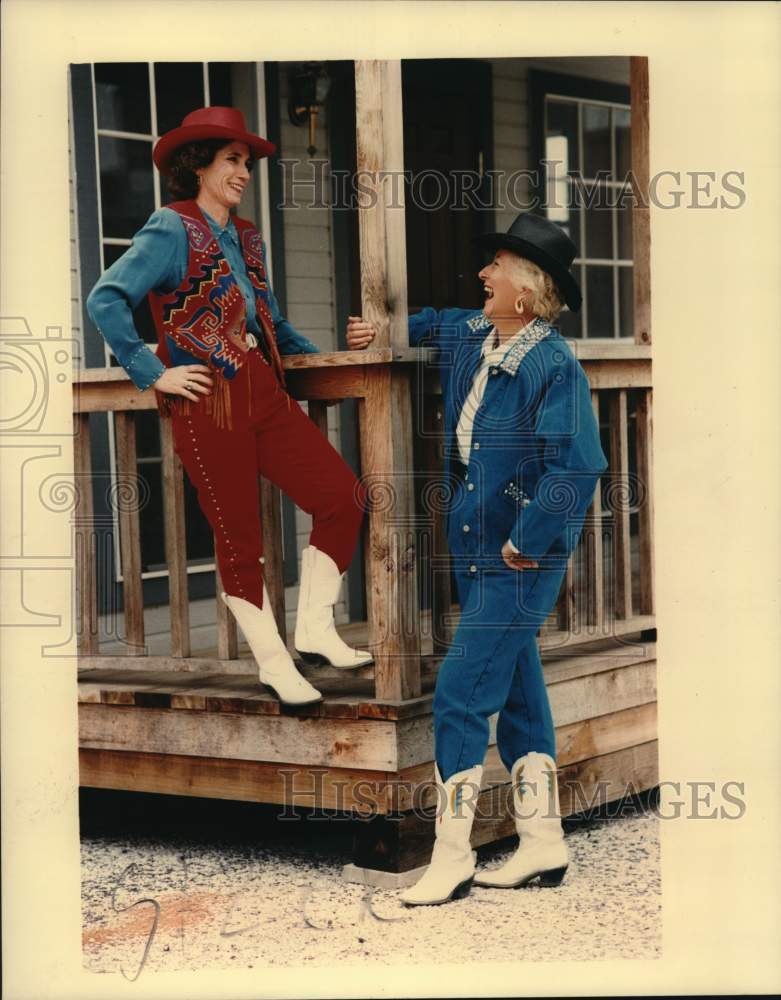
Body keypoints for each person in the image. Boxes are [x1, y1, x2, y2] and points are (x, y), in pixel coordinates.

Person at [346, 213, 608, 905]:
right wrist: (384, 332)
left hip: (519, 562)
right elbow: (431, 320)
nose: (482, 275)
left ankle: (451, 857)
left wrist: (527, 538)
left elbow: (575, 468)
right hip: (475, 553)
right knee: (518, 691)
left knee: (461, 693)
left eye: (494, 266)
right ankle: (544, 845)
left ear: (525, 289)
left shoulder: (551, 364)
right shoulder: (476, 335)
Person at [87, 106, 372, 708]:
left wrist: (328, 359)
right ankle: (274, 663)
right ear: (199, 165)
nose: (244, 172)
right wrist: (152, 372)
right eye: (233, 160)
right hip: (207, 402)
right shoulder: (170, 227)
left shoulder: (247, 235)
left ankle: (315, 628)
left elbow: (269, 316)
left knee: (342, 496)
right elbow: (106, 299)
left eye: (246, 162)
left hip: (263, 391)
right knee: (240, 538)